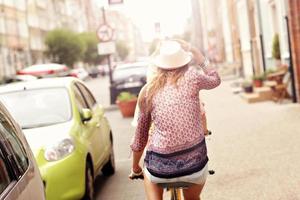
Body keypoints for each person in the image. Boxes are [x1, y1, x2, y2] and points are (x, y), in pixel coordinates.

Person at [129, 39, 221, 200]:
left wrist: (135, 167)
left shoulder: (148, 90)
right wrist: (197, 54)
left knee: (149, 174)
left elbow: (140, 138)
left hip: (160, 169)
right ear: (185, 63)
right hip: (195, 167)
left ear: (159, 65)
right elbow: (215, 79)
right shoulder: (193, 78)